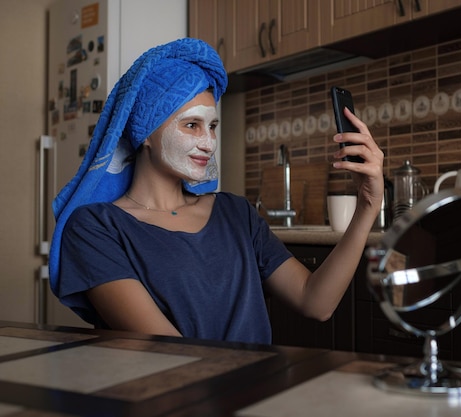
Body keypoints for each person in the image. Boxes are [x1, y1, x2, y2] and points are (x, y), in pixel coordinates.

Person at [49, 38, 384, 344]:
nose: (208, 143)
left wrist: (368, 206)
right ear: (145, 133)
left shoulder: (236, 213)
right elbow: (166, 350)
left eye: (212, 127)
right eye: (192, 125)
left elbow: (316, 302)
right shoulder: (96, 227)